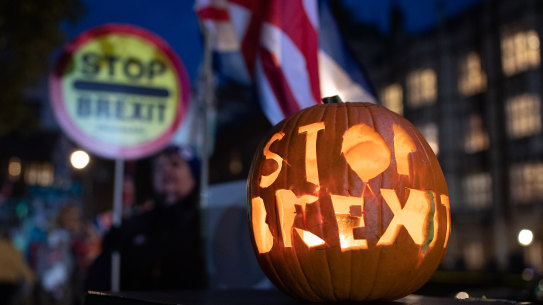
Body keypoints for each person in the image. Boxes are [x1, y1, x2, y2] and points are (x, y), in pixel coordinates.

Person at [86, 145, 207, 291]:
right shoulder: (135, 225)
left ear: (193, 178)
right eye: (159, 166)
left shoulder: (205, 221)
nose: (166, 170)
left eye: (175, 164)